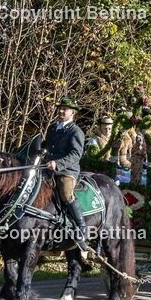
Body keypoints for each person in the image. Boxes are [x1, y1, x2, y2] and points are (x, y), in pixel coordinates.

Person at [43, 96, 91, 254]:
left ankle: (81, 228)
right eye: (61, 108)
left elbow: (76, 155)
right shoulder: (52, 128)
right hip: (46, 168)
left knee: (65, 192)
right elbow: (46, 146)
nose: (62, 111)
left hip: (67, 171)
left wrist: (58, 164)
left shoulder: (76, 132)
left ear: (73, 113)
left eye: (66, 109)